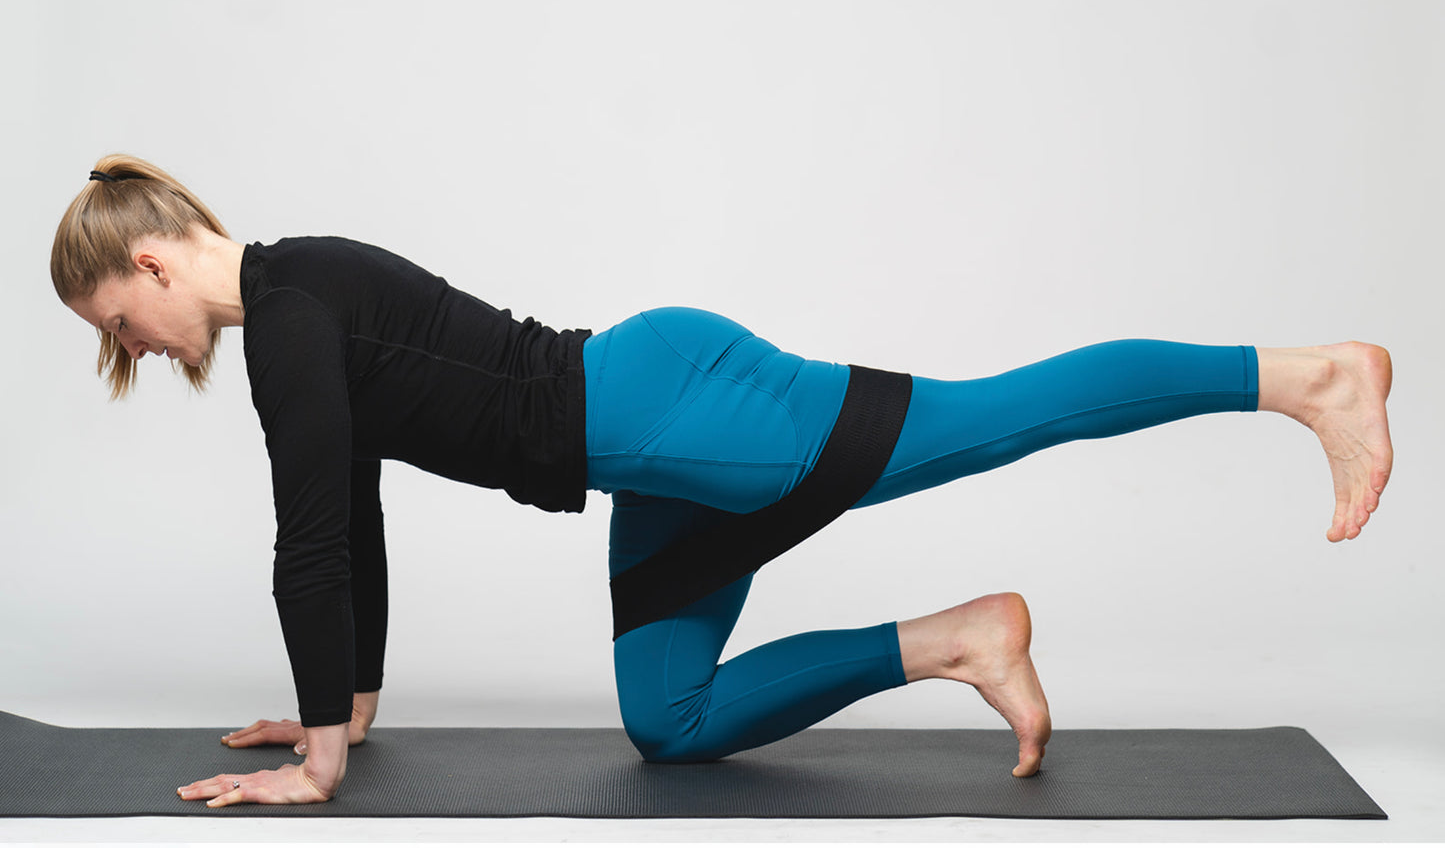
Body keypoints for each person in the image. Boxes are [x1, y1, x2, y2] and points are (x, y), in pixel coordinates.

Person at [51, 155, 1394, 809]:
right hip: (644, 443)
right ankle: (959, 640)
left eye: (118, 321)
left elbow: (313, 542)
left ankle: (1304, 379)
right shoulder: (297, 296)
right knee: (674, 722)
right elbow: (354, 497)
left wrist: (324, 766)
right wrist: (338, 705)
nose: (137, 348)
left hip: (677, 411)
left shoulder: (289, 316)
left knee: (997, 418)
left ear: (155, 266)